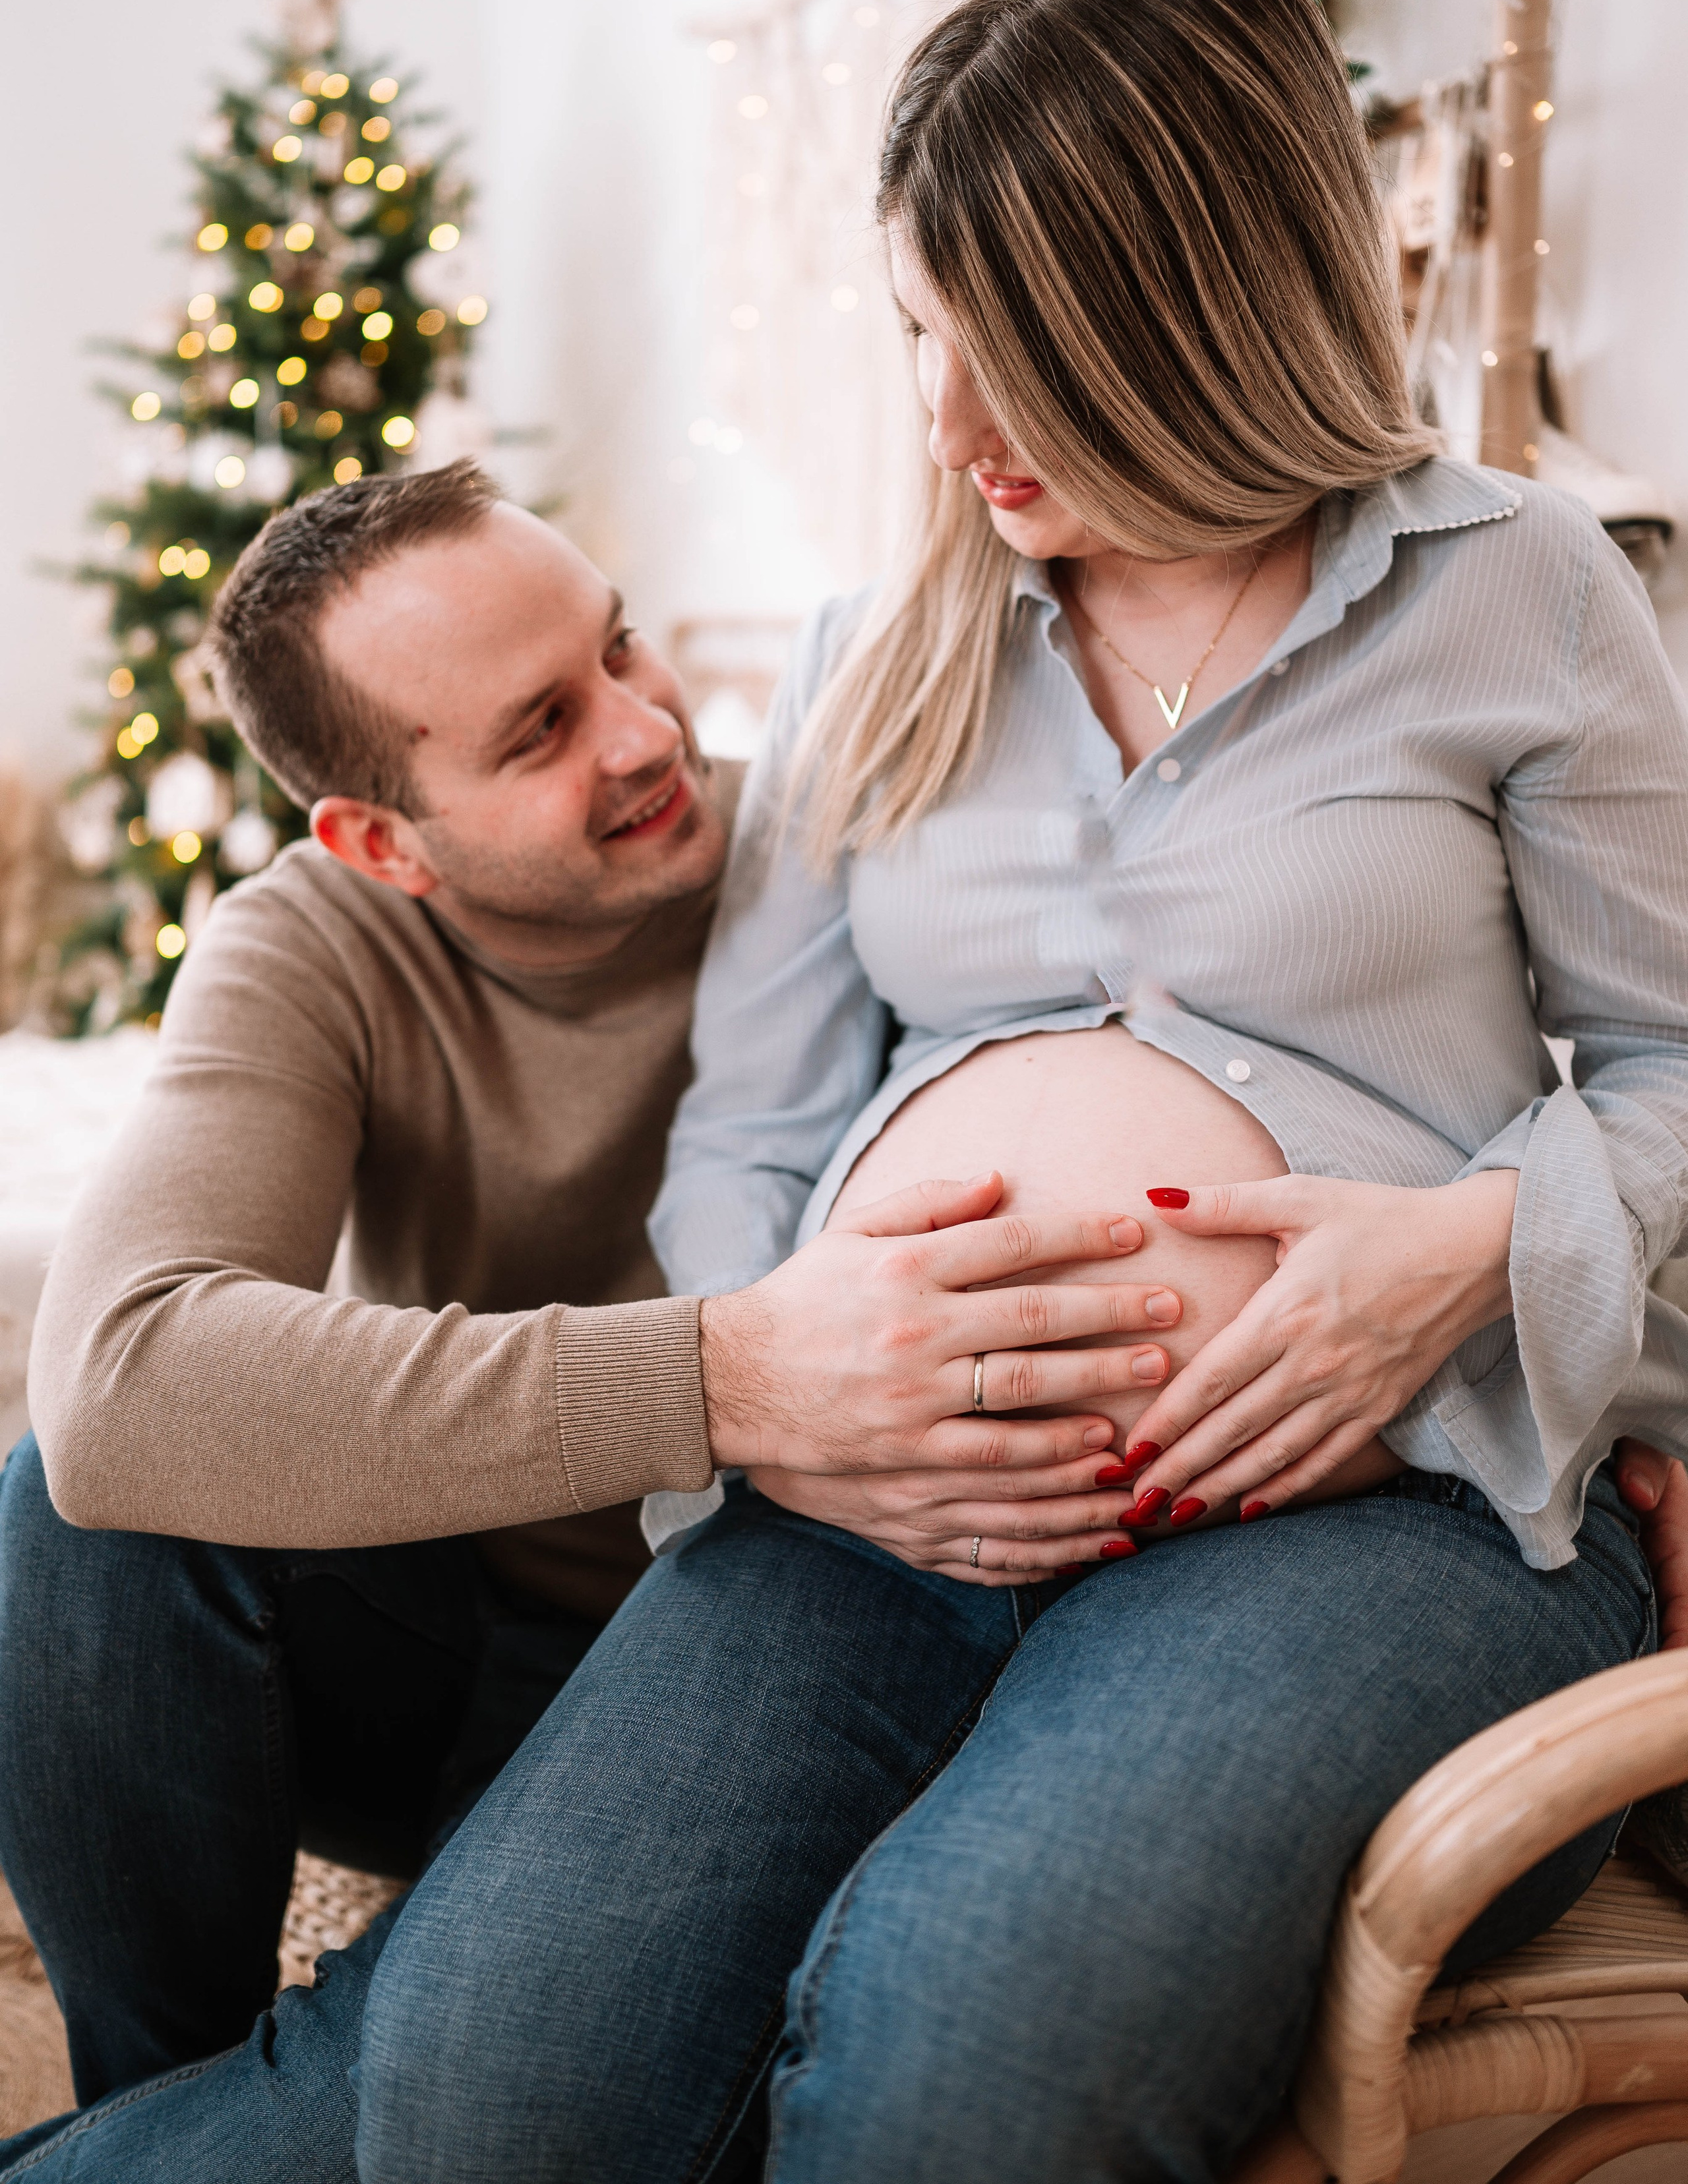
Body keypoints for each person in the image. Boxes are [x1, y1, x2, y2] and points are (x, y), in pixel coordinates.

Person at [342, 0, 1688, 2184]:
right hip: (868, 1508)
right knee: (483, 2093)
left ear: (1202, 316)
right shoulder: (886, 643)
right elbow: (749, 1135)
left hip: (1376, 1502)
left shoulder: (1522, 587)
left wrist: (1463, 1244)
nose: (954, 435)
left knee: (971, 2070)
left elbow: (1671, 1063)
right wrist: (786, 1406)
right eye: (920, 346)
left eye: (1026, 360)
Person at [0, 465, 1183, 2176]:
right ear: (381, 843)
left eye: (623, 648)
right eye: (540, 728)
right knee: (71, 1515)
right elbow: (121, 1383)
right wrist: (729, 1372)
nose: (644, 735)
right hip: (460, 1636)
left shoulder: (859, 859)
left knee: (444, 2087)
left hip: (770, 1667)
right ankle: (160, 2091)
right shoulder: (311, 945)